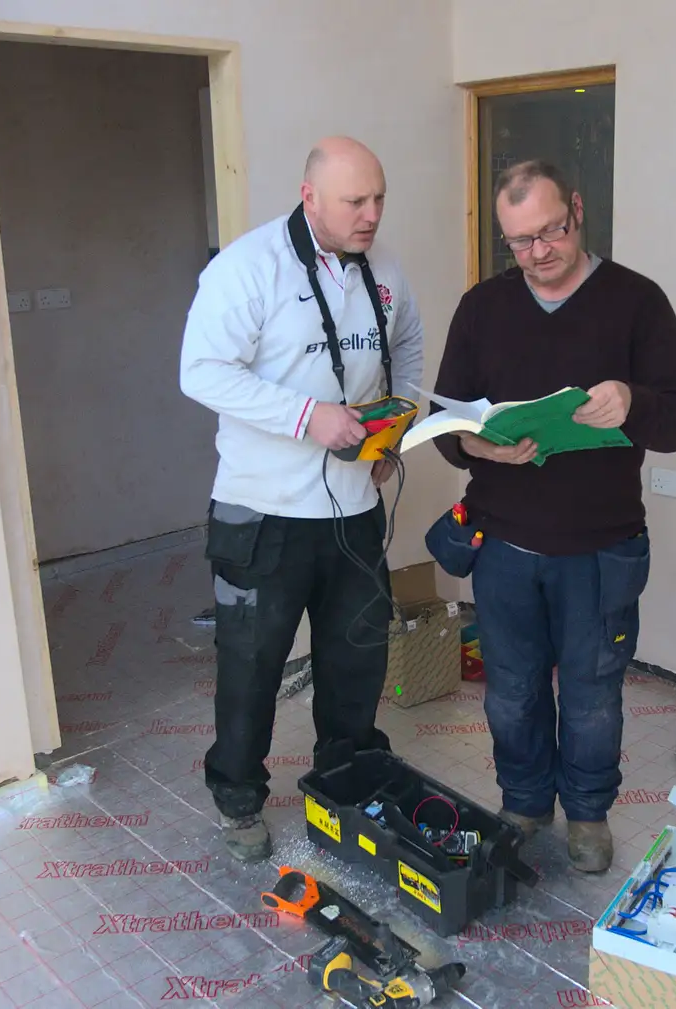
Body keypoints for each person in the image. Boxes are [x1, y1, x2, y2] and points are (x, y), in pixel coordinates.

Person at [430, 160, 676, 872]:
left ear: (578, 209)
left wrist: (631, 400)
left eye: (550, 231)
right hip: (503, 543)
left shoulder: (637, 301)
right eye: (518, 240)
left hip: (600, 546)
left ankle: (586, 813)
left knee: (591, 694)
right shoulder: (482, 308)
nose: (537, 251)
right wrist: (473, 442)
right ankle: (522, 802)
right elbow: (444, 416)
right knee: (511, 692)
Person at [179, 136, 424, 861]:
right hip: (263, 514)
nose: (372, 214)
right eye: (355, 201)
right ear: (309, 195)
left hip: (353, 510)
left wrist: (393, 429)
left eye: (379, 198)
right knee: (252, 667)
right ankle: (238, 797)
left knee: (357, 659)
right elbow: (202, 371)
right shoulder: (247, 268)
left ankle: (344, 777)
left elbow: (406, 345)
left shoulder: (384, 269)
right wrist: (306, 417)